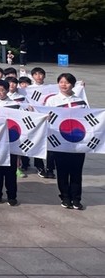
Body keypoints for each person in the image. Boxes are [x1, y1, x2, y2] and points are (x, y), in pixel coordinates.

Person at [47, 73, 88, 210]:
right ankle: (65, 197)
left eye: (67, 82)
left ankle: (76, 198)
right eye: (61, 82)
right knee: (62, 171)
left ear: (73, 84)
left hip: (78, 142)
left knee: (76, 172)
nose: (64, 85)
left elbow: (88, 120)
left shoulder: (80, 102)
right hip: (60, 142)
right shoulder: (52, 101)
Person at [0, 79, 20, 206]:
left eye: (2, 90)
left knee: (11, 171)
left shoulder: (15, 105)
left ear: (7, 90)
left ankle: (12, 196)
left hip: (11, 141)